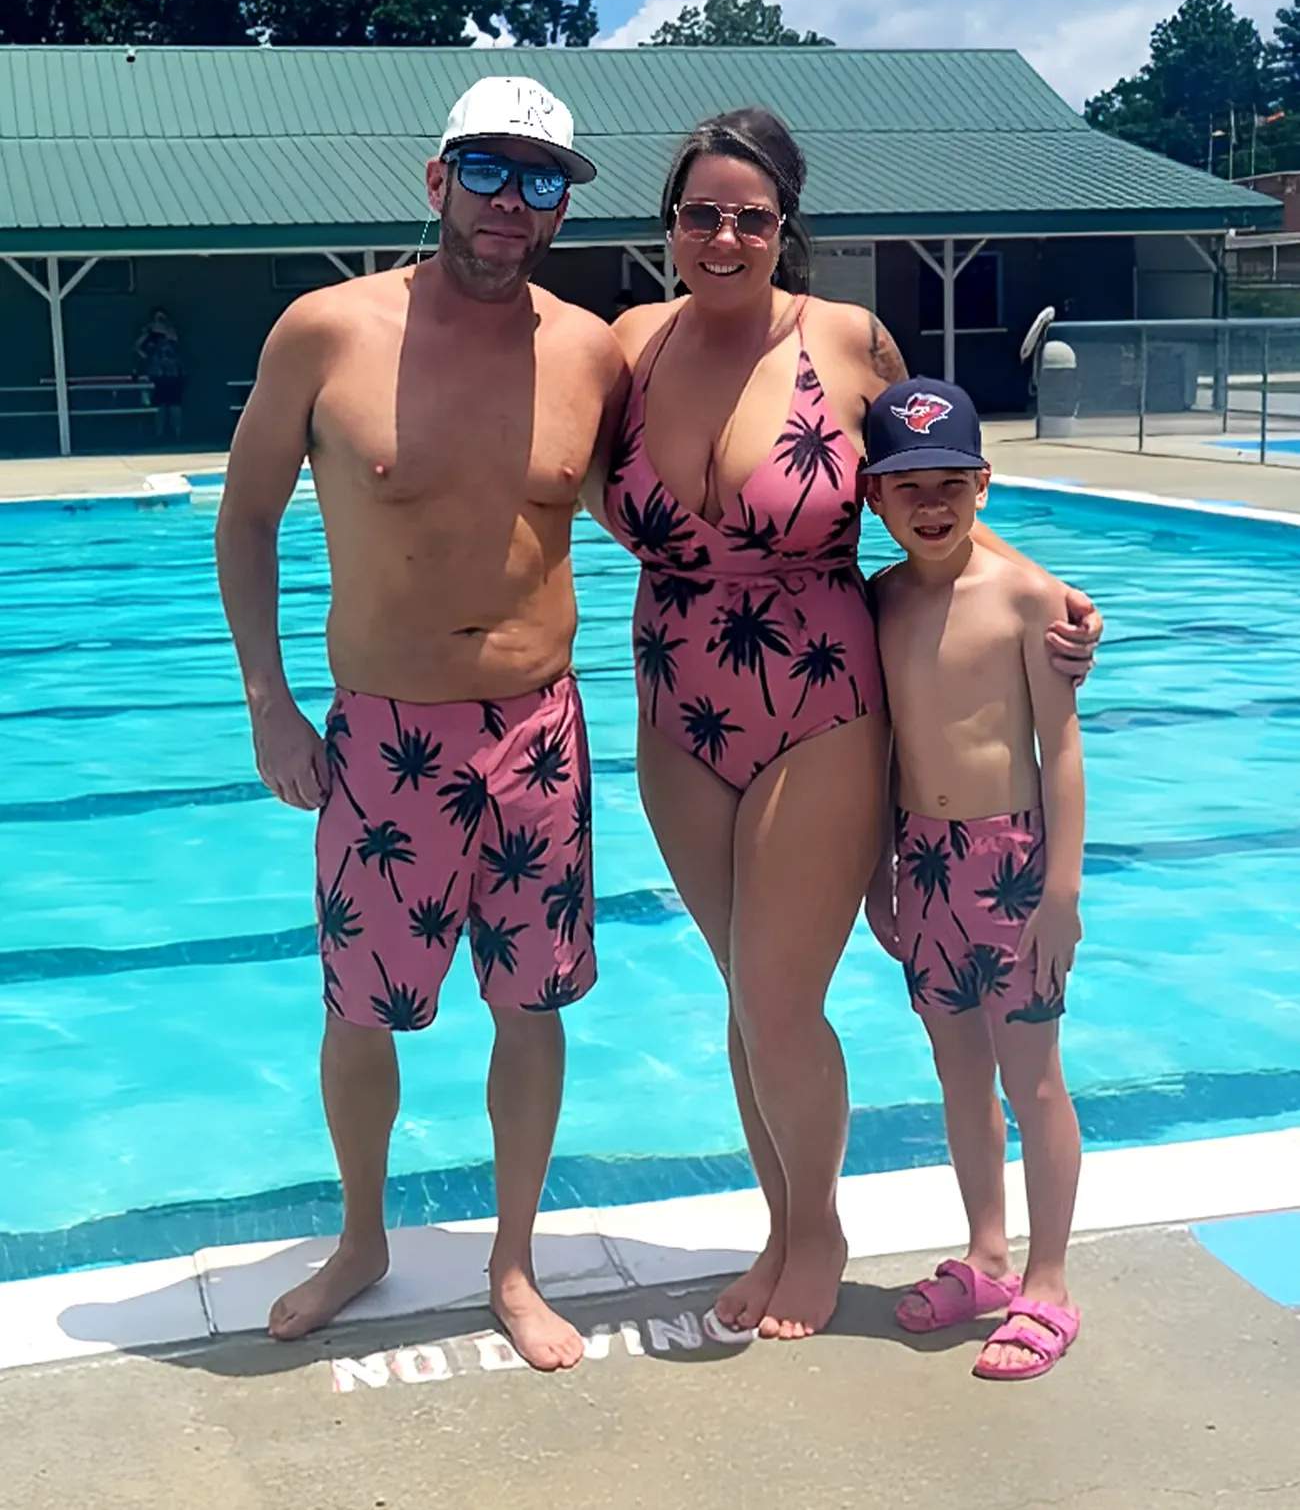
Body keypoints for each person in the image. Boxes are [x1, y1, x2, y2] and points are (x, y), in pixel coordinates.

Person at [597, 107, 1099, 1342]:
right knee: (739, 992)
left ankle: (816, 1230)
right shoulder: (625, 345)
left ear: (784, 229)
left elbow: (934, 482)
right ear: (669, 223)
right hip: (676, 699)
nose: (723, 234)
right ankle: (777, 1221)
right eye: (700, 212)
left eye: (750, 216)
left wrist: (1036, 592)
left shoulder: (848, 338)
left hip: (819, 689)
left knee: (778, 993)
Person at [214, 76, 628, 1370]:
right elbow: (246, 517)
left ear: (563, 207)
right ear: (437, 179)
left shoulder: (593, 349)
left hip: (540, 731)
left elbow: (676, 521)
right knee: (361, 1011)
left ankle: (513, 1259)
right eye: (489, 172)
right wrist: (272, 706)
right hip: (384, 738)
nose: (513, 203)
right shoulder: (325, 332)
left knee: (533, 1008)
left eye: (543, 180)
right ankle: (362, 1239)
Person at [864, 378, 1083, 1381]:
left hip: (1011, 863)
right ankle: (987, 1255)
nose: (931, 501)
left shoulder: (1027, 599)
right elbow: (878, 753)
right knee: (959, 1075)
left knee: (1030, 1077)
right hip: (924, 860)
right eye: (908, 485)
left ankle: (1047, 1279)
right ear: (874, 496)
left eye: (951, 480)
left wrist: (1061, 889)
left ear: (984, 485)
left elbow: (1061, 748)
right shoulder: (880, 599)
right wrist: (881, 871)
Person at [134, 309, 185, 439]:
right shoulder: (149, 333)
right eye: (157, 317)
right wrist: (146, 356)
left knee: (175, 405)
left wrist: (161, 329)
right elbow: (137, 346)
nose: (159, 320)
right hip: (157, 373)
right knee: (159, 406)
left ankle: (178, 433)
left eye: (162, 317)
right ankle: (159, 434)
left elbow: (174, 338)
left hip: (173, 373)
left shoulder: (171, 330)